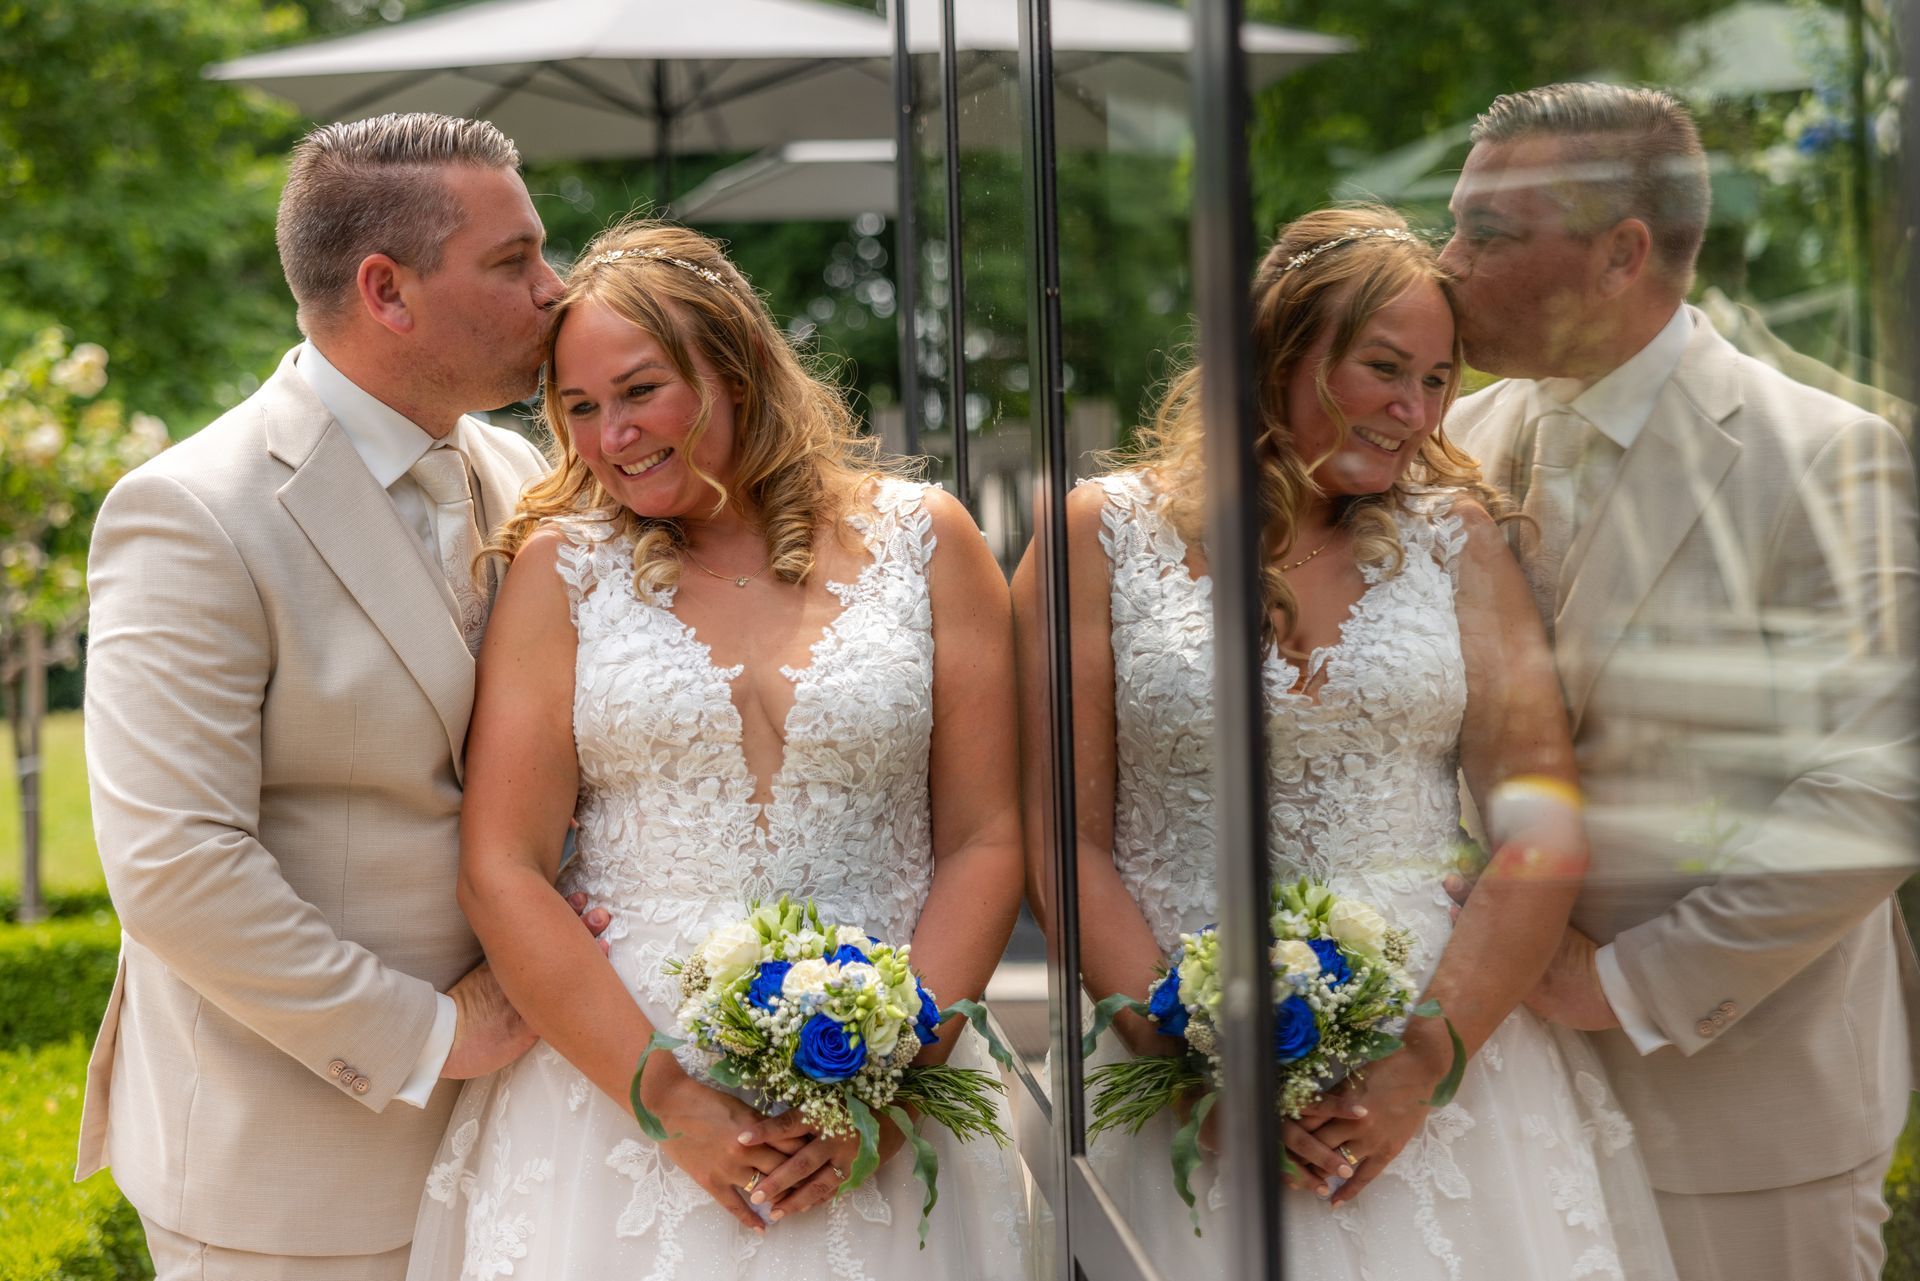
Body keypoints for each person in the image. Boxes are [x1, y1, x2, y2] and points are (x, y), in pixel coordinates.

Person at [1015, 204, 1674, 1278]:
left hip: (1437, 1063)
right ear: (1280, 350)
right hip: (1176, 1061)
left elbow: (1540, 827)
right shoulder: (1100, 534)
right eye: (1383, 369)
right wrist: (1196, 1064)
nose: (1414, 411)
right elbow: (1064, 842)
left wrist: (1424, 1065)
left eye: (1438, 379)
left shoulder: (1457, 539)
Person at [403, 220, 1029, 1280]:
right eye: (581, 408)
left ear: (734, 368)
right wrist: (670, 1104)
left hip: (891, 1085)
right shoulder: (564, 569)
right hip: (615, 1102)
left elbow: (985, 837)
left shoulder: (931, 540)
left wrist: (888, 1085)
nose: (612, 437)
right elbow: (501, 867)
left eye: (641, 391)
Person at [76, 114, 590, 1280]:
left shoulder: (523, 476)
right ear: (387, 291)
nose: (554, 292)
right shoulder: (191, 513)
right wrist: (438, 1037)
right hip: (292, 1171)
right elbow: (175, 866)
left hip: (531, 1141)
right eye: (513, 262)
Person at [1442, 82, 1920, 1281]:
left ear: (1622, 256)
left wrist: (1627, 987)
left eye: (1488, 235)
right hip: (1497, 1110)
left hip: (1736, 1113)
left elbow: (1881, 789)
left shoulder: (1825, 456)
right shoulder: (1453, 443)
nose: (1446, 268)